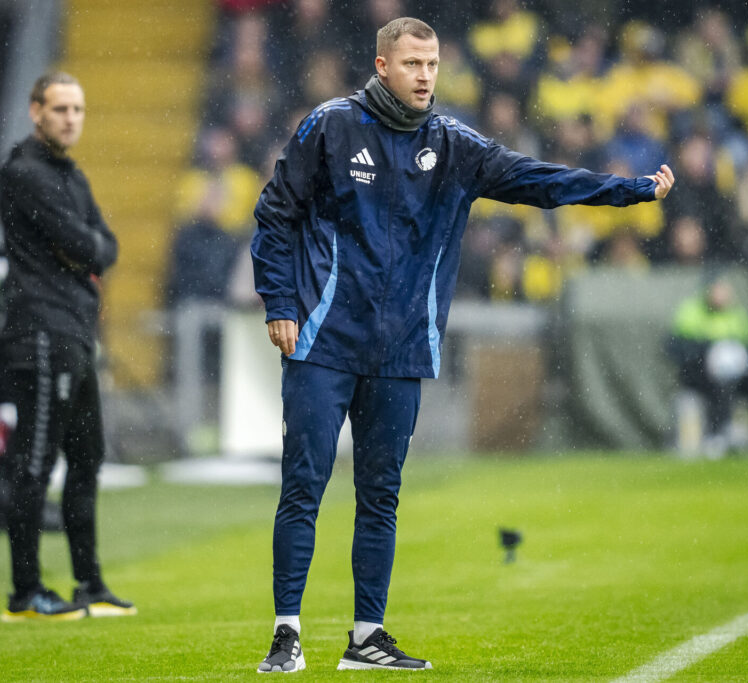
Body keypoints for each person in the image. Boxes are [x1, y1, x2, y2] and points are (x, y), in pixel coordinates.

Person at [250, 17, 675, 673]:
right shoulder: (331, 125)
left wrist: (629, 191)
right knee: (302, 486)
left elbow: (541, 182)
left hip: (400, 353)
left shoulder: (453, 146)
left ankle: (366, 637)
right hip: (322, 341)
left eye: (434, 64)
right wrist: (280, 303)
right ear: (383, 66)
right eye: (414, 63)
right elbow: (275, 214)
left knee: (380, 494)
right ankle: (285, 633)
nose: (425, 76)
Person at [0, 72, 133, 621]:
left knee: (86, 457)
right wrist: (86, 249)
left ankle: (89, 584)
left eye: (78, 109)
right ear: (35, 111)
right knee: (34, 462)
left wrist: (87, 249)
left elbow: (106, 247)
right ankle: (23, 593)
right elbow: (85, 243)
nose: (71, 118)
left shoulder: (68, 174)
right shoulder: (25, 173)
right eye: (60, 109)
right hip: (42, 333)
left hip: (72, 331)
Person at [667, 277, 748, 458]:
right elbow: (680, 346)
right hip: (698, 372)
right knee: (719, 385)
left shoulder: (736, 313)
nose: (722, 296)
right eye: (718, 290)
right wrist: (709, 349)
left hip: (733, 375)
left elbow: (745, 344)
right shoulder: (691, 310)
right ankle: (717, 434)